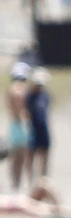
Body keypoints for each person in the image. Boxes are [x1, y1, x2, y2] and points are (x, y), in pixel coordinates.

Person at [7, 62, 30, 191]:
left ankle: (16, 184)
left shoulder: (11, 88)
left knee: (17, 156)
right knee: (20, 156)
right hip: (19, 124)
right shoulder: (19, 88)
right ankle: (17, 184)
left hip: (15, 124)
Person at [25, 67, 50, 184]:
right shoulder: (29, 96)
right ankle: (30, 180)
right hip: (32, 128)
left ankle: (43, 179)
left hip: (43, 127)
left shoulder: (45, 95)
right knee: (31, 155)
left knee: (44, 153)